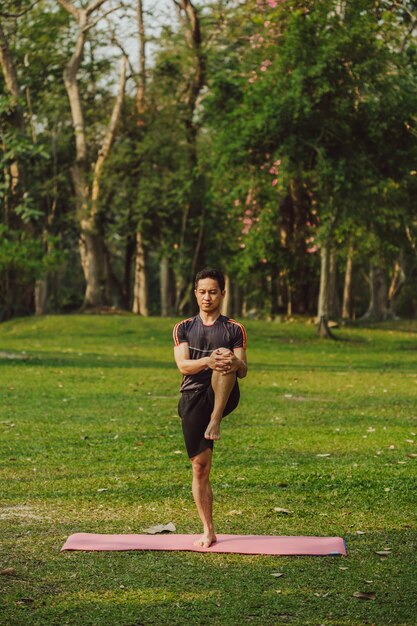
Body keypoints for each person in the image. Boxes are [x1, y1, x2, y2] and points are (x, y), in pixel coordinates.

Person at [173, 268, 247, 548]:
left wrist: (230, 361)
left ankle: (215, 420)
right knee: (200, 467)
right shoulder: (183, 327)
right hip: (192, 396)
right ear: (196, 294)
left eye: (213, 292)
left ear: (222, 294)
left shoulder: (233, 328)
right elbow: (183, 365)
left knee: (227, 358)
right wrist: (209, 361)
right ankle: (208, 530)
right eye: (202, 292)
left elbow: (243, 370)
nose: (207, 297)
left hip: (223, 395)